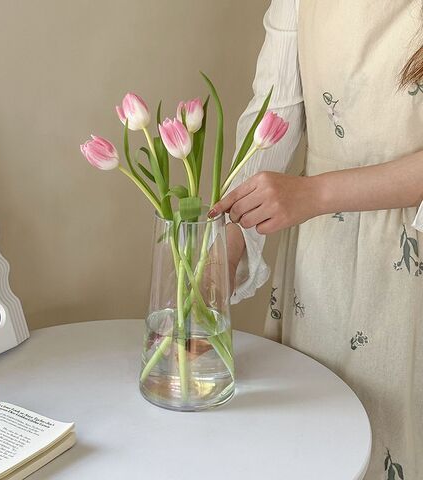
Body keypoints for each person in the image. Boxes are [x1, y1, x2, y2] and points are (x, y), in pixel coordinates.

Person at [209, 1, 423, 478]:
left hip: (411, 260)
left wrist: (315, 193)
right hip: (320, 262)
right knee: (315, 443)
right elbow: (272, 115)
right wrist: (228, 239)